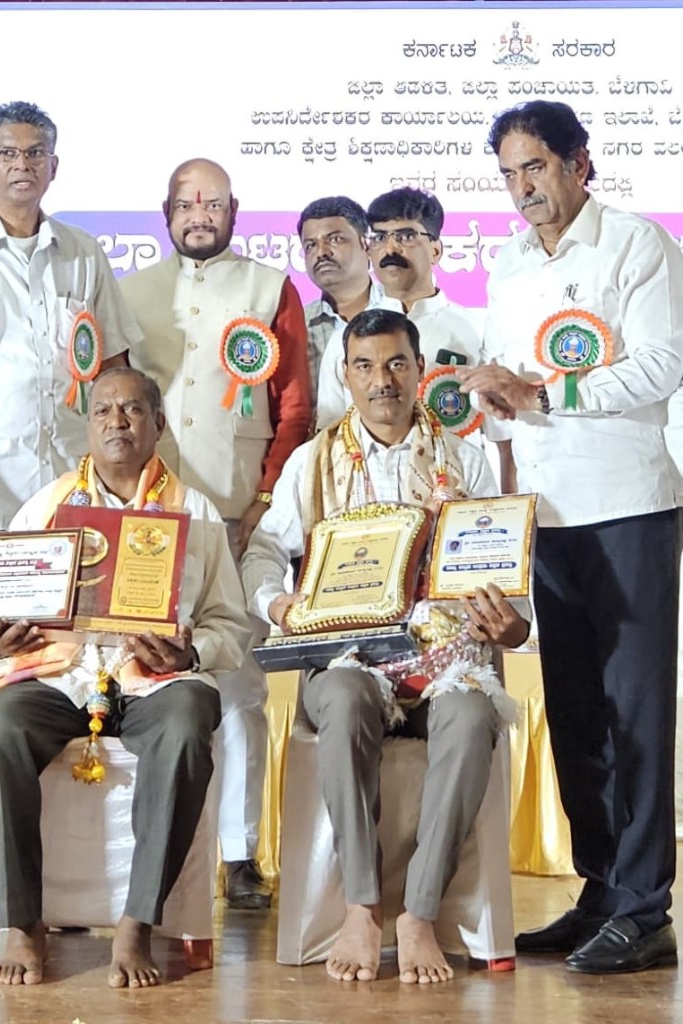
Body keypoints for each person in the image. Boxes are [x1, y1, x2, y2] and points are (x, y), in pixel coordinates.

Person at [458, 100, 683, 974]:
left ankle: (645, 907)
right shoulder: (510, 264)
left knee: (635, 713)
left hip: (626, 507)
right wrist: (487, 410)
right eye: (510, 175)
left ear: (578, 164)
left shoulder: (636, 244)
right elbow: (503, 394)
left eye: (536, 169)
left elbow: (666, 360)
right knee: (577, 715)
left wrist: (545, 394)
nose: (523, 191)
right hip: (544, 517)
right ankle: (598, 889)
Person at [242, 308, 529, 984]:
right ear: (344, 376)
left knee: (471, 715)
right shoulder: (312, 462)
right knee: (340, 699)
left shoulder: (464, 457)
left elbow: (505, 558)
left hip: (446, 660)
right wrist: (277, 602)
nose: (382, 381)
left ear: (420, 370)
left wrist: (513, 625)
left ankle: (419, 913)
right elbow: (261, 550)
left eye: (397, 363)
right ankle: (362, 905)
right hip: (348, 659)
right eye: (365, 367)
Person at [0, 367, 251, 988]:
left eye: (133, 410)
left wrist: (188, 657)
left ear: (159, 424)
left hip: (153, 681)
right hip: (61, 674)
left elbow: (230, 626)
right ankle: (21, 921)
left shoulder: (194, 511)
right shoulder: (48, 506)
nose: (117, 422)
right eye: (104, 411)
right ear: (87, 425)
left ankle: (138, 921)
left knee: (191, 719)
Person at [0, 100, 139, 933]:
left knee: (55, 677)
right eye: (7, 152)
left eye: (37, 152)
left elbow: (113, 369)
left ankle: (53, 882)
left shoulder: (82, 255)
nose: (22, 164)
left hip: (66, 509)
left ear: (55, 164)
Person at [121, 158, 311, 909]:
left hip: (237, 515)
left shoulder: (270, 288)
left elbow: (293, 405)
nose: (200, 213)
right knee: (147, 676)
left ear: (236, 209)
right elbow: (115, 404)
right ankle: (152, 851)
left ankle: (238, 855)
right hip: (151, 522)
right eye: (186, 203)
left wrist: (264, 500)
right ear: (163, 212)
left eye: (213, 202)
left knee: (238, 687)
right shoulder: (130, 294)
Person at [315, 187, 482, 431]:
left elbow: (501, 434)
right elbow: (329, 429)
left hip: (453, 466)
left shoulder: (474, 330)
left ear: (435, 250)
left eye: (406, 236)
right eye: (380, 237)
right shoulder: (348, 334)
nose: (390, 249)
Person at [297, 195, 377, 411]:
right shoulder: (297, 328)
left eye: (335, 239)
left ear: (365, 244)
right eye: (311, 245)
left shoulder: (401, 313)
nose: (321, 252)